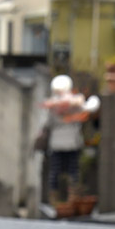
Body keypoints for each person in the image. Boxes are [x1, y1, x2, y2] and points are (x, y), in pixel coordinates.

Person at [39, 75, 98, 203]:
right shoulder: (76, 102)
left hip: (56, 144)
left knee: (55, 170)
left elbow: (45, 124)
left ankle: (54, 198)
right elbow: (92, 106)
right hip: (73, 142)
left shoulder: (51, 105)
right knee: (73, 170)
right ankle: (73, 197)